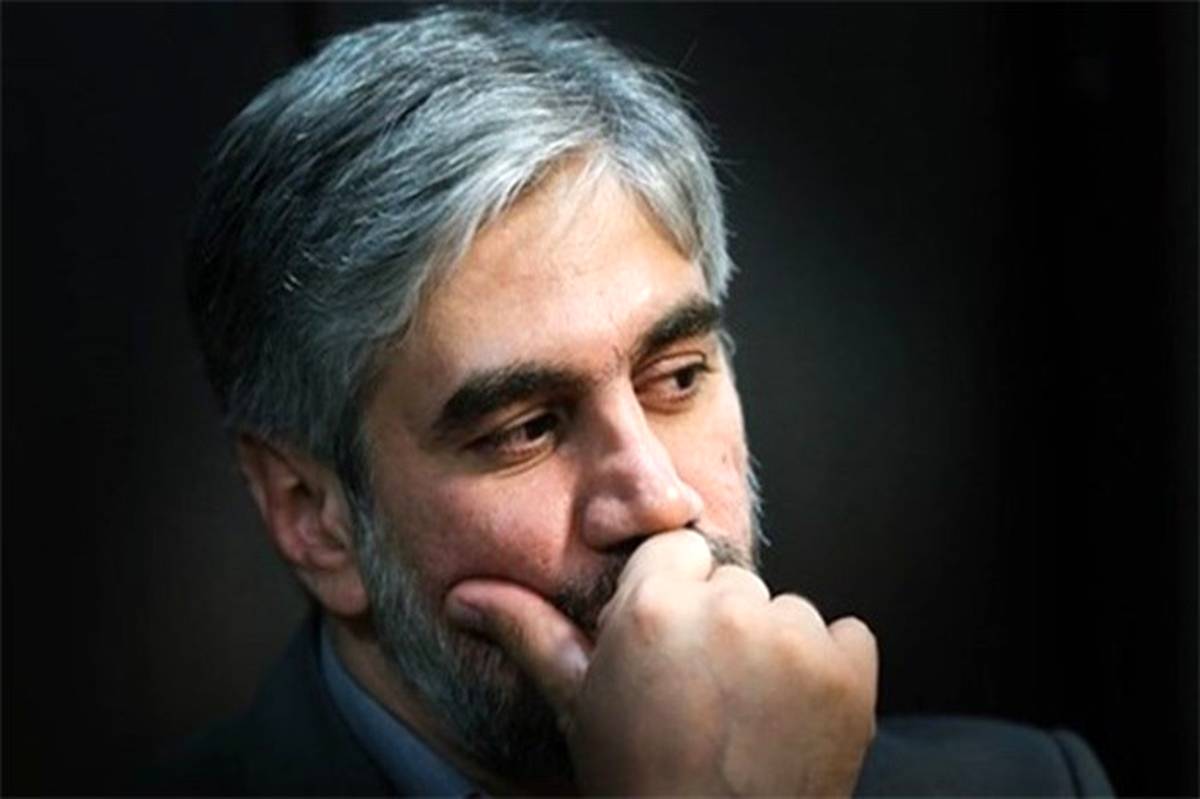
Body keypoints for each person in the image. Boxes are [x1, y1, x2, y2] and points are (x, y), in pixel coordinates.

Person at [153, 7, 1112, 796]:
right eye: (525, 428)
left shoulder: (1033, 785)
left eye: (678, 377)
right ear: (312, 516)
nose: (657, 500)